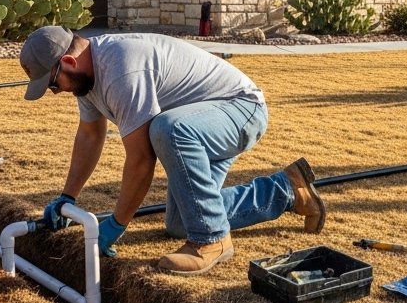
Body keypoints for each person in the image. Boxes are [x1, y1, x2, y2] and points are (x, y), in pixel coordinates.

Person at [20, 26, 327, 275]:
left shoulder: (120, 70)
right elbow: (90, 135)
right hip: (202, 123)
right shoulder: (86, 78)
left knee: (167, 129)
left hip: (240, 110)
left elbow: (141, 160)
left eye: (52, 85)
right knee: (181, 222)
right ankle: (288, 190)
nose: (56, 92)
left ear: (69, 62)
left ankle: (213, 241)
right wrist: (67, 197)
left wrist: (116, 223)